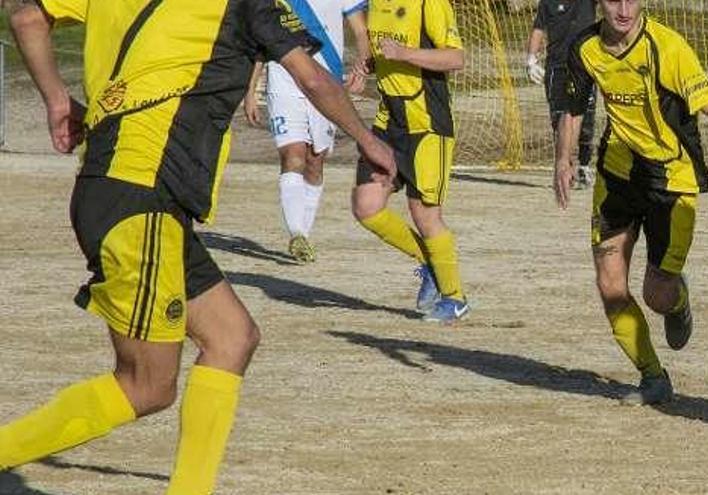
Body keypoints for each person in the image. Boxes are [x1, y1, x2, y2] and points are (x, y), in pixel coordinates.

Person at [1, 0, 394, 493]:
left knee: (232, 338)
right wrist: (367, 139)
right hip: (140, 193)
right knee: (146, 385)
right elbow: (311, 77)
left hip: (135, 195)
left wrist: (57, 99)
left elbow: (26, 16)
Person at [554, 0, 708, 404]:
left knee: (656, 294)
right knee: (610, 286)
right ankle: (652, 376)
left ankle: (677, 301)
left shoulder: (668, 47)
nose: (624, 9)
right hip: (617, 177)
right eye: (613, 0)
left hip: (671, 180)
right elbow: (573, 110)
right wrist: (564, 158)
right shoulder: (585, 47)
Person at [351, 0, 468, 323]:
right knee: (366, 206)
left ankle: (455, 298)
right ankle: (429, 263)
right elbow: (385, 54)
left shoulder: (430, 3)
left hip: (426, 123)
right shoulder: (375, 4)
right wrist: (370, 64)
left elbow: (456, 58)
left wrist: (404, 54)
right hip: (389, 121)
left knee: (425, 216)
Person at [244, 0, 370, 263]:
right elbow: (262, 40)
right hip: (283, 78)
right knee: (293, 155)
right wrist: (251, 90)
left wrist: (362, 65)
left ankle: (305, 235)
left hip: (327, 82)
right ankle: (297, 234)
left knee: (315, 161)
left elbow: (360, 31)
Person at [526, 0, 598, 187]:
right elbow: (538, 29)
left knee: (586, 119)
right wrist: (531, 59)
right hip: (557, 67)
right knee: (560, 119)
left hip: (585, 66)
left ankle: (583, 165)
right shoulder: (548, 2)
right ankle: (566, 167)